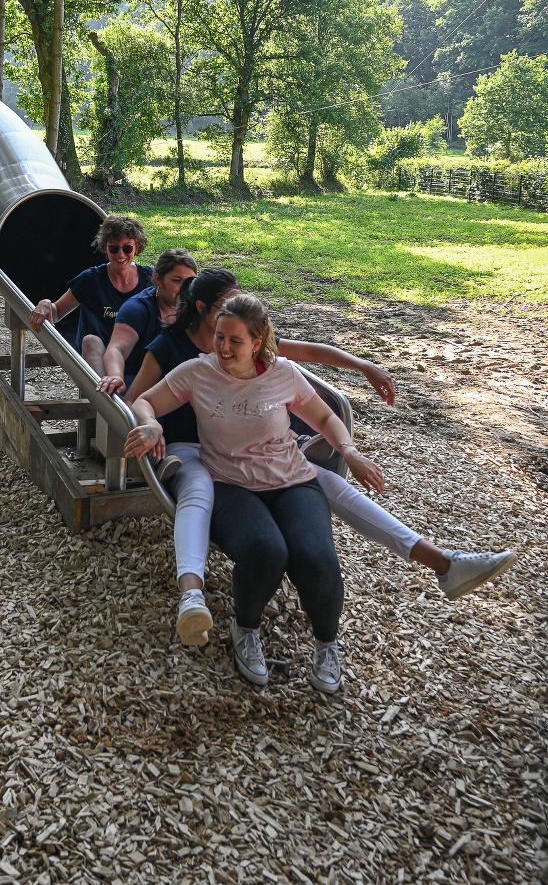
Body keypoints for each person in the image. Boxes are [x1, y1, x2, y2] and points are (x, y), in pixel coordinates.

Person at [125, 271, 518, 664]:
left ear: (258, 341)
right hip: (229, 478)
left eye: (234, 341)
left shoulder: (282, 373)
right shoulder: (198, 370)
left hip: (289, 475)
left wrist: (348, 451)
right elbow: (146, 400)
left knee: (317, 558)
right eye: (220, 338)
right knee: (267, 550)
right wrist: (151, 423)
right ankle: (243, 628)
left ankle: (329, 644)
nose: (224, 348)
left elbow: (325, 416)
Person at [29, 216, 153, 374]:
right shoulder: (91, 279)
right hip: (99, 355)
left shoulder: (148, 279)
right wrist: (45, 303)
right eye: (113, 248)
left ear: (136, 248)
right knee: (90, 341)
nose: (120, 254)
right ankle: (103, 395)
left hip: (134, 353)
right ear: (105, 248)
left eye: (127, 248)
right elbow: (58, 311)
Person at [96, 248, 198, 393]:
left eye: (189, 282)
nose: (184, 288)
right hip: (136, 377)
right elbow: (116, 349)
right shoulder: (136, 308)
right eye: (177, 281)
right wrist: (116, 376)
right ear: (158, 279)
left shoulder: (197, 308)